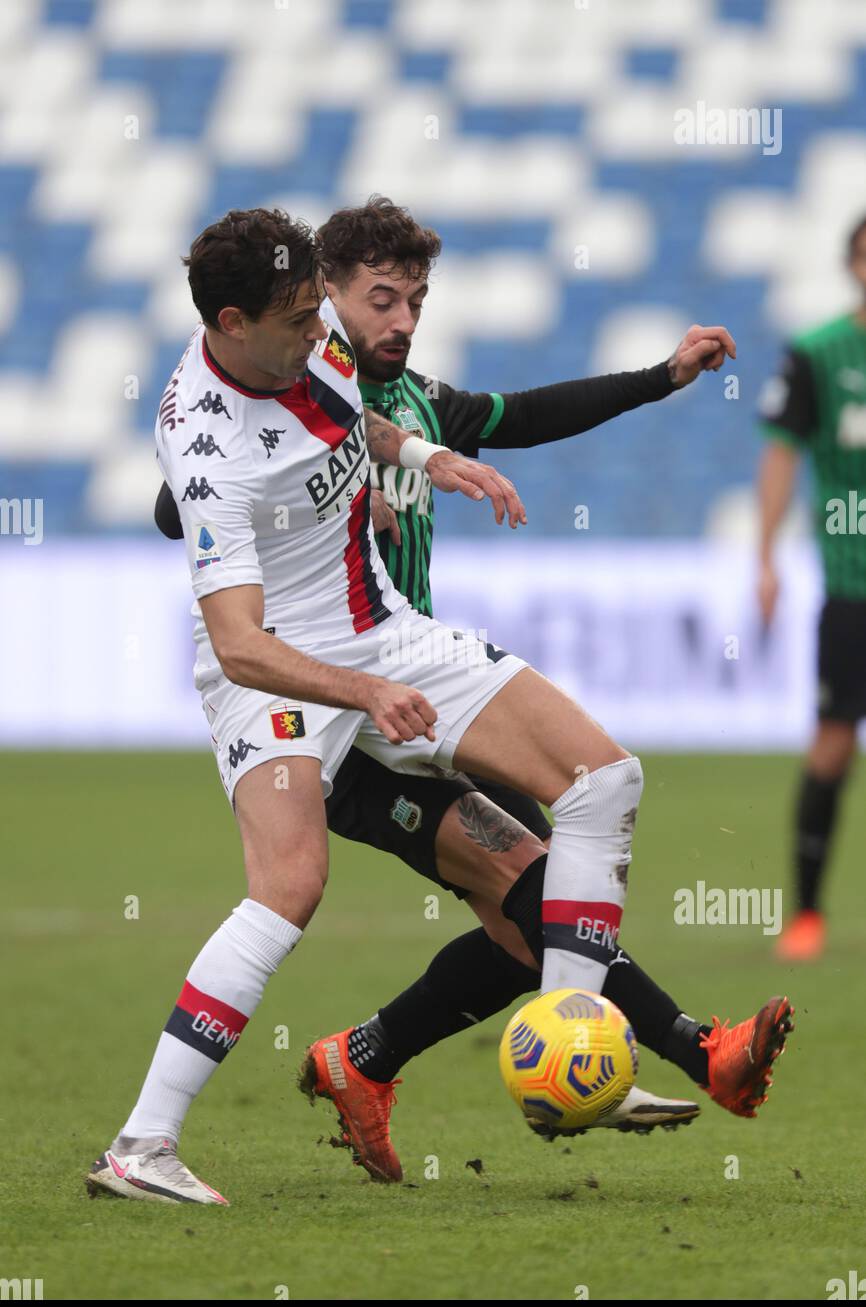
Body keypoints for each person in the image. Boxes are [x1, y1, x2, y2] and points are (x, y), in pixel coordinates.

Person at [86, 207, 791, 1206]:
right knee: (289, 883)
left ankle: (568, 1034)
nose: (321, 333)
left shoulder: (314, 335)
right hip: (274, 671)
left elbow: (343, 413)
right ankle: (140, 1147)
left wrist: (422, 458)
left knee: (602, 779)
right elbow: (241, 643)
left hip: (380, 627)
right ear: (235, 323)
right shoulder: (202, 447)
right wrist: (363, 692)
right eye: (299, 320)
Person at [757, 212, 866, 962]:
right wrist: (763, 556)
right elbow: (781, 455)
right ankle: (807, 915)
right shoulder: (818, 355)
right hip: (852, 582)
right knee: (833, 743)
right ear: (852, 265)